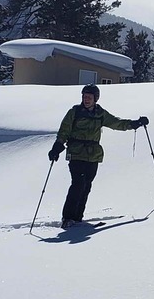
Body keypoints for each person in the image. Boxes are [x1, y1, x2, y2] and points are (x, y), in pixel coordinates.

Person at [48, 84, 148, 227]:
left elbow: (117, 123)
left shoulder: (100, 114)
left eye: (89, 97)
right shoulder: (74, 112)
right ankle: (67, 218)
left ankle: (77, 218)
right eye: (84, 97)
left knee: (86, 186)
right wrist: (57, 146)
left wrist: (135, 124)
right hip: (76, 153)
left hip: (93, 155)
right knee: (78, 184)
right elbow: (64, 131)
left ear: (96, 99)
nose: (86, 99)